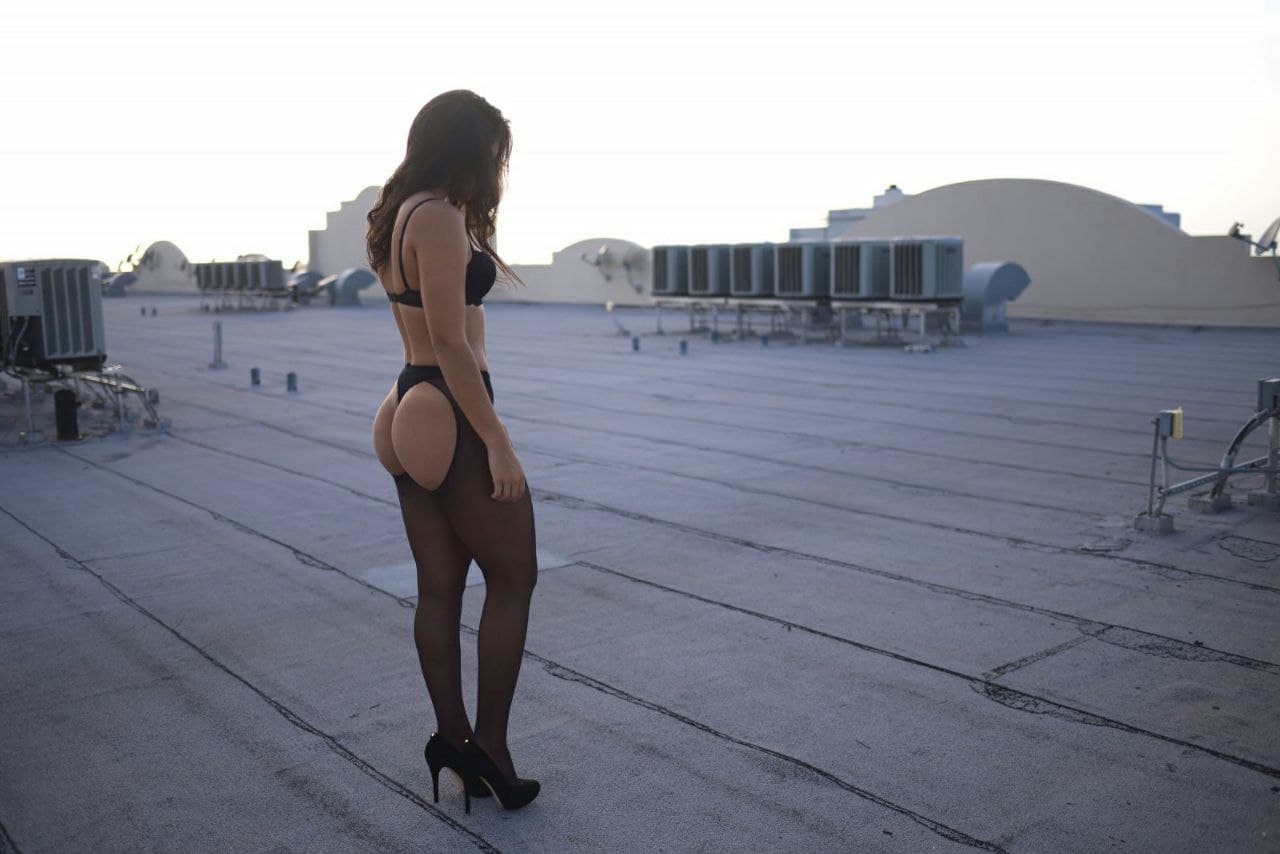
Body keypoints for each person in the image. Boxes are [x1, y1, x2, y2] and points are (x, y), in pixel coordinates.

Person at [367, 90, 540, 813]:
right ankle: (489, 750)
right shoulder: (437, 216)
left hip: (408, 404)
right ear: (469, 150)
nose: (497, 169)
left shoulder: (395, 212)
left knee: (439, 590)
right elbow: (449, 340)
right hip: (447, 405)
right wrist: (497, 441)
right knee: (515, 576)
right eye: (494, 154)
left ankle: (453, 740)